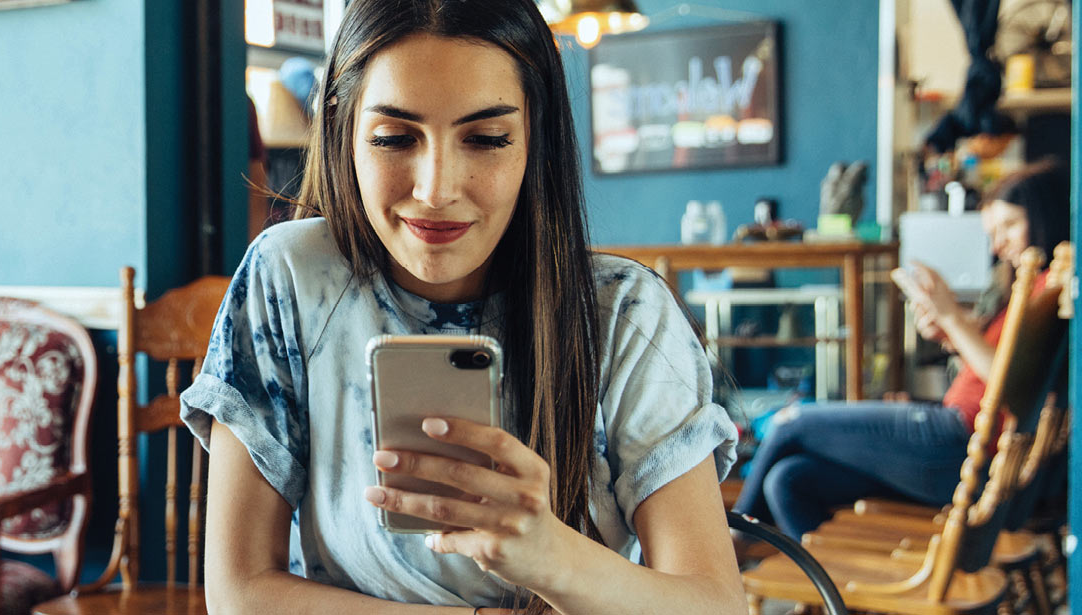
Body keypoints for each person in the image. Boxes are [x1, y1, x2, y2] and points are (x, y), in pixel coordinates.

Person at [177, 1, 744, 613]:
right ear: (342, 129)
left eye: (487, 138)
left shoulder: (624, 314)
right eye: (395, 138)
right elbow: (239, 593)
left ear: (536, 137)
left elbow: (715, 604)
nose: (436, 189)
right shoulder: (290, 276)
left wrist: (552, 557)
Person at [731, 157, 1071, 539]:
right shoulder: (1036, 291)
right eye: (993, 232)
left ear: (1045, 214)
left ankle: (732, 543)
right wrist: (948, 333)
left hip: (957, 442)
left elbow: (1012, 386)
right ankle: (838, 596)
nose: (998, 244)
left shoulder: (1044, 290)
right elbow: (998, 371)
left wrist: (952, 317)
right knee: (788, 479)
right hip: (956, 435)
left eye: (1009, 225)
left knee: (789, 421)